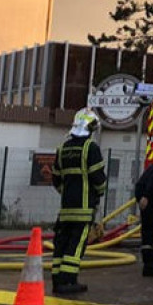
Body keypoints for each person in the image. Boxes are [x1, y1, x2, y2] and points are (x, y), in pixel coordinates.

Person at [51, 108, 107, 295]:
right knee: (76, 245)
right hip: (83, 209)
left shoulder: (62, 149)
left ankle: (57, 280)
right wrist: (97, 195)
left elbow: (56, 180)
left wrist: (67, 193)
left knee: (62, 243)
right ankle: (69, 281)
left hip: (65, 209)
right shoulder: (90, 148)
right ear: (90, 128)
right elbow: (98, 178)